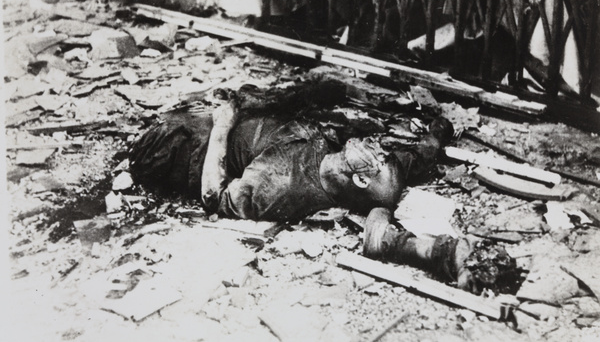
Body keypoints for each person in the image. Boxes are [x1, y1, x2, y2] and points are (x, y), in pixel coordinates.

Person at [128, 83, 515, 293]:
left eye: (376, 159)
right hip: (247, 128)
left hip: (182, 150)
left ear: (359, 179)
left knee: (164, 134)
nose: (377, 148)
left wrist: (223, 124)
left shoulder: (284, 186)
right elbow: (417, 156)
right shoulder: (370, 168)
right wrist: (438, 132)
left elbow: (214, 196)